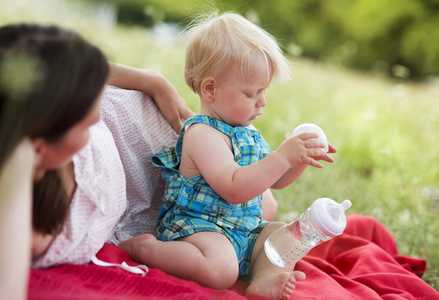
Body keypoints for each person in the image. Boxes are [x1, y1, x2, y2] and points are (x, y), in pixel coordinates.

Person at [118, 12, 337, 300]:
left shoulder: (246, 131)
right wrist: (282, 157)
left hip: (243, 229)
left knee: (281, 236)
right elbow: (234, 187)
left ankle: (263, 280)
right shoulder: (201, 134)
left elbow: (275, 181)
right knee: (222, 271)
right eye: (251, 93)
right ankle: (147, 249)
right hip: (199, 230)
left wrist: (298, 159)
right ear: (211, 89)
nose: (263, 101)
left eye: (264, 91)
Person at [0, 23, 192, 299]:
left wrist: (151, 80)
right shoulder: (20, 213)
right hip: (133, 212)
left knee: (254, 201)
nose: (94, 121)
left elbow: (50, 64)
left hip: (131, 131)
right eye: (86, 125)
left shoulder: (52, 122)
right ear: (38, 152)